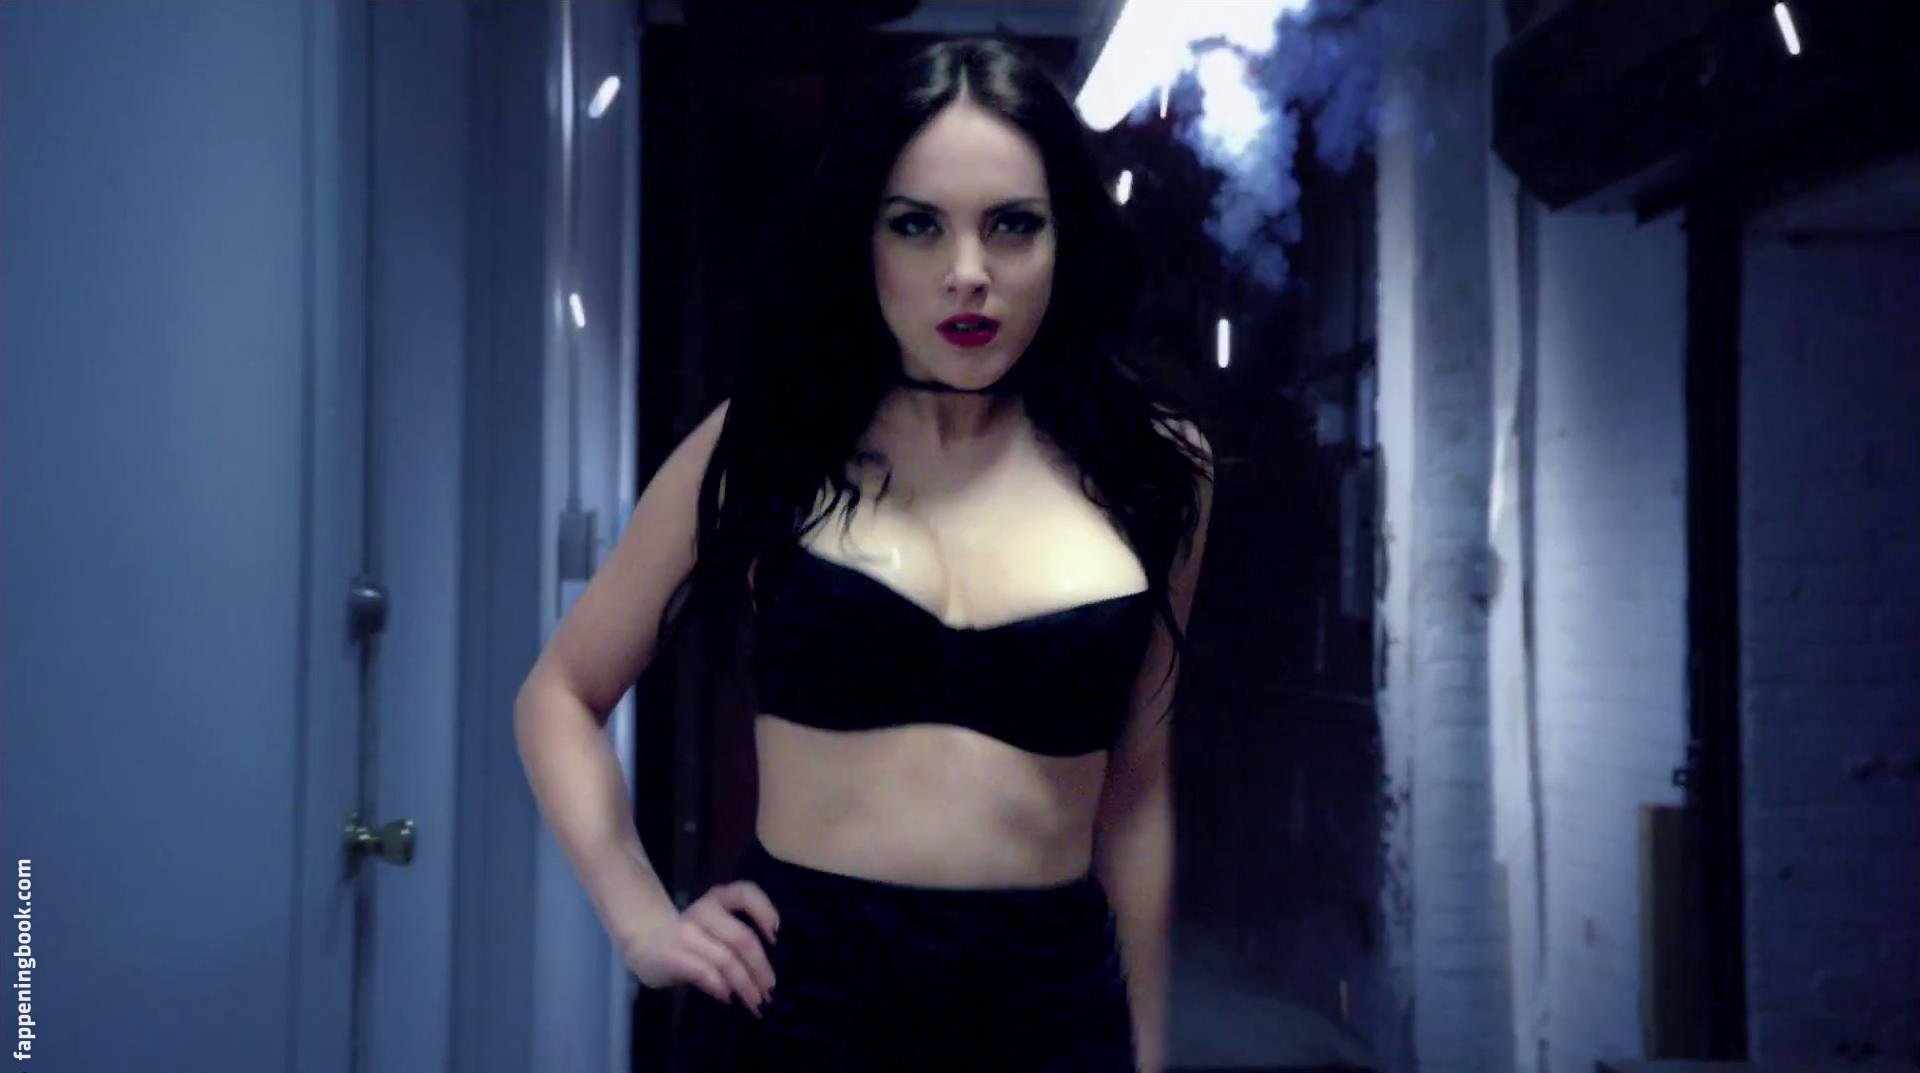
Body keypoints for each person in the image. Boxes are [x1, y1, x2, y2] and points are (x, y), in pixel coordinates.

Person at [514, 36, 1213, 1073]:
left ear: (1065, 239)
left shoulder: (1157, 466)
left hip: (1050, 1016)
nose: (967, 274)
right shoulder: (767, 440)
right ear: (864, 239)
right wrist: (642, 921)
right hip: (794, 1008)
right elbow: (560, 694)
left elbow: (1138, 795)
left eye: (1012, 224)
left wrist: (1148, 1054)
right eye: (917, 225)